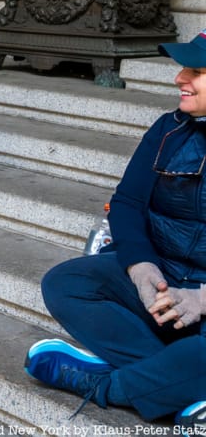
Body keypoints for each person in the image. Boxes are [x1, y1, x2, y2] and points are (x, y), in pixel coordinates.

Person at [24, 30, 206, 432]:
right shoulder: (169, 128)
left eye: (196, 71)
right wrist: (142, 269)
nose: (180, 78)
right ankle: (180, 384)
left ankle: (106, 385)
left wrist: (202, 298)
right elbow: (127, 203)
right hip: (164, 281)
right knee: (66, 283)